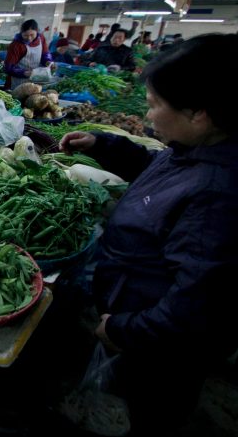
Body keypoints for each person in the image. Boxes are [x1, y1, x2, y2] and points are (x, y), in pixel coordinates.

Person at [59, 34, 238, 434]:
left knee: (150, 414)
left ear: (199, 114)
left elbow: (195, 308)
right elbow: (158, 168)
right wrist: (103, 144)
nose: (147, 111)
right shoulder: (196, 150)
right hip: (135, 317)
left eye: (156, 103)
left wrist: (124, 330)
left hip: (159, 349)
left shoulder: (219, 194)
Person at [3, 19, 52, 89]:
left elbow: (45, 54)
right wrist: (23, 73)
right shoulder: (16, 45)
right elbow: (8, 68)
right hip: (17, 82)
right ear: (21, 33)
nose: (29, 38)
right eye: (25, 35)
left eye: (32, 35)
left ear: (37, 31)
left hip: (35, 81)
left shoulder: (41, 39)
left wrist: (48, 62)